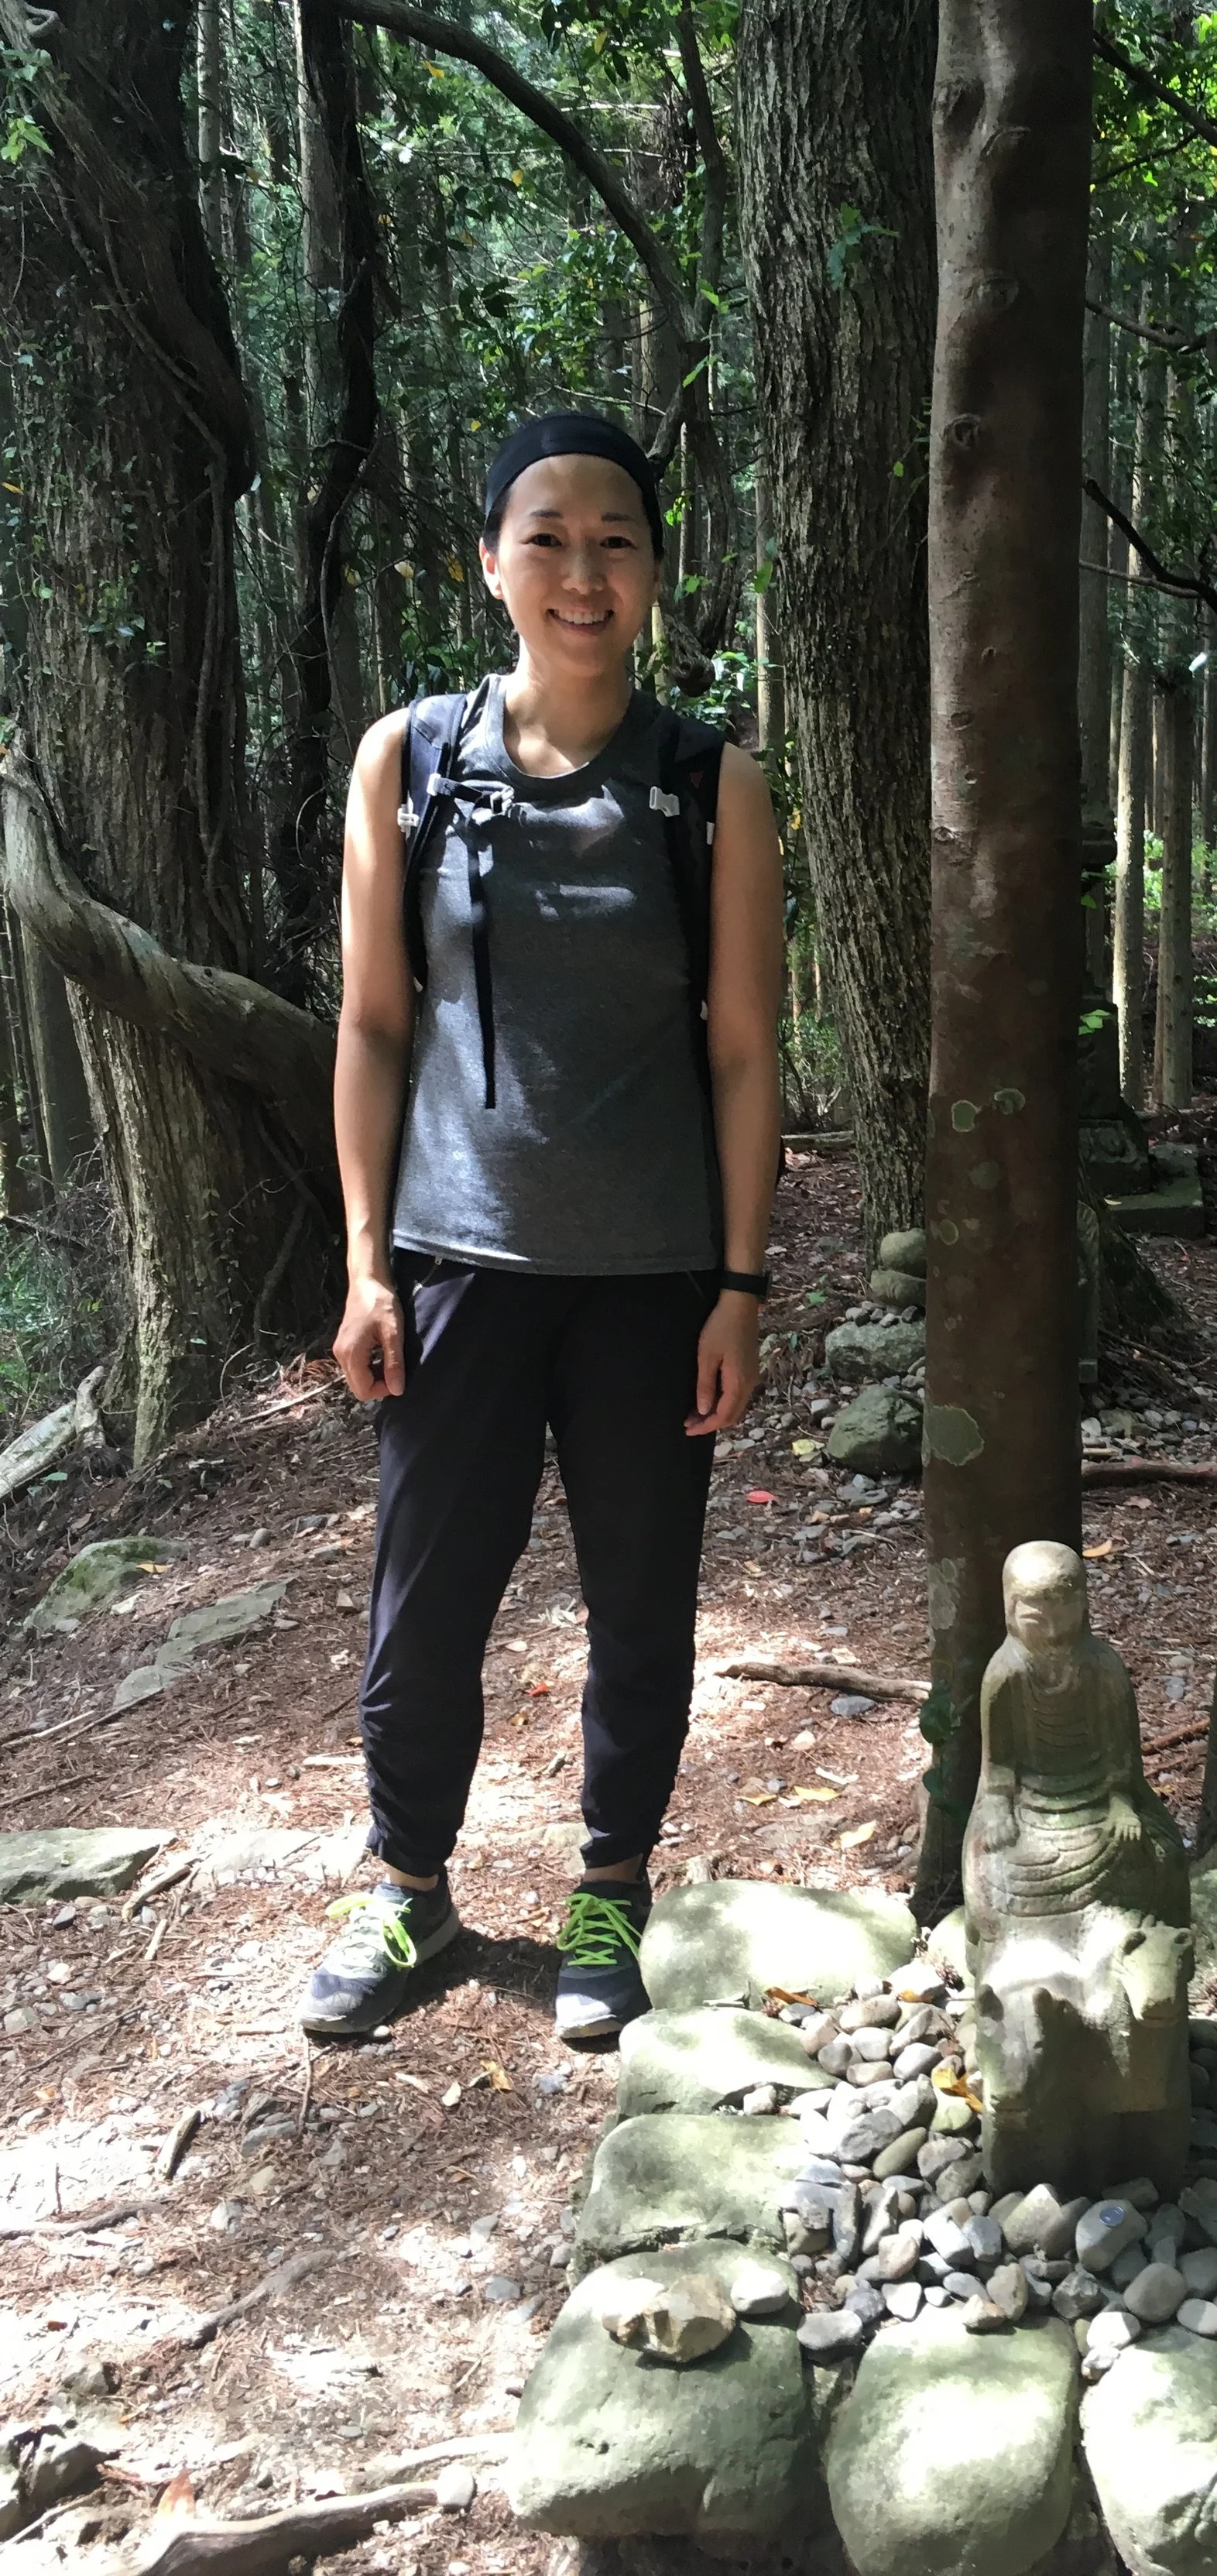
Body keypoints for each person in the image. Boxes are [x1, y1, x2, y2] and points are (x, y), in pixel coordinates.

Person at [300, 411, 783, 2044]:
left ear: (654, 568)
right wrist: (365, 1259)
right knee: (425, 1597)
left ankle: (610, 1887)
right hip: (455, 1262)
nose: (584, 571)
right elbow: (373, 1026)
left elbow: (737, 1050)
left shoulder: (711, 782)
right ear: (489, 561)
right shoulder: (411, 759)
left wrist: (738, 1282)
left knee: (641, 1595)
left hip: (651, 1279)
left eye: (618, 538)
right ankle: (410, 1888)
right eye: (548, 535)